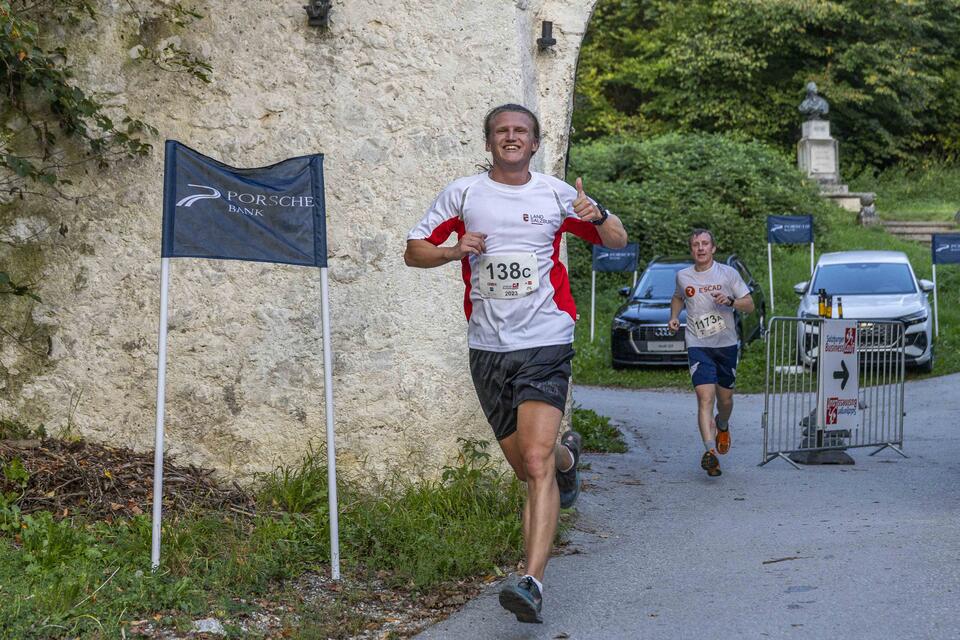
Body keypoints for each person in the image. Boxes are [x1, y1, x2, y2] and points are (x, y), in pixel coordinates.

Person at [404, 104, 628, 623]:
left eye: (521, 132)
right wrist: (454, 251)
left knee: (533, 463)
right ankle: (567, 463)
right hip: (488, 347)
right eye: (502, 131)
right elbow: (413, 251)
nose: (511, 138)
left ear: (534, 142)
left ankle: (531, 581)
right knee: (529, 467)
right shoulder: (463, 194)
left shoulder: (556, 194)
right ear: (489, 144)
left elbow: (616, 240)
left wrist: (599, 215)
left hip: (547, 339)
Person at [668, 229, 754, 477]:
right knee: (705, 398)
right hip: (698, 344)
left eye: (705, 244)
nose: (701, 248)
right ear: (691, 250)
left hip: (725, 344)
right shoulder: (683, 276)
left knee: (724, 400)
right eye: (696, 244)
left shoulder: (728, 274)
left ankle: (723, 424)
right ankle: (710, 453)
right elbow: (677, 298)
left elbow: (748, 305)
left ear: (713, 248)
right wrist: (674, 316)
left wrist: (730, 301)